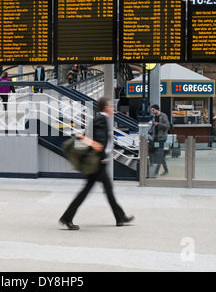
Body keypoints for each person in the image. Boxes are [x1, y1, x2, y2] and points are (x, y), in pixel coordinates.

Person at [59, 97, 134, 230]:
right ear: (105, 107)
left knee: (106, 190)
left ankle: (120, 217)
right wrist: (101, 156)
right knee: (88, 192)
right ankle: (67, 217)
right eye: (111, 106)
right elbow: (99, 141)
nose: (112, 108)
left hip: (100, 162)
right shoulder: (100, 119)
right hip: (98, 163)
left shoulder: (101, 119)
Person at [149, 104, 170, 176]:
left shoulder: (163, 116)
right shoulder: (154, 117)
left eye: (153, 110)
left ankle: (156, 171)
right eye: (152, 110)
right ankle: (166, 170)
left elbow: (167, 125)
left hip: (162, 138)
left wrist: (159, 124)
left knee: (160, 154)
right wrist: (150, 131)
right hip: (156, 138)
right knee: (160, 154)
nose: (152, 111)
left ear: (157, 109)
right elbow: (153, 126)